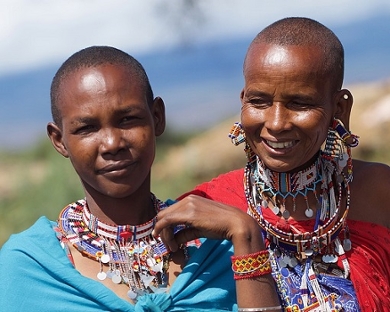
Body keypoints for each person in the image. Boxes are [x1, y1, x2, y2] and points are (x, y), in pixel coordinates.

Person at [0, 46, 280, 311]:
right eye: (87, 128)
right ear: (59, 141)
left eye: (127, 119)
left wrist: (245, 234)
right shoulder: (29, 267)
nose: (112, 143)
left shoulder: (217, 249)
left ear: (157, 117)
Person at [155, 17, 390, 312]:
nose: (276, 124)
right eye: (259, 101)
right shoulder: (205, 208)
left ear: (339, 108)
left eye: (300, 103)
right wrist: (241, 230)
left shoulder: (378, 191)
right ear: (243, 101)